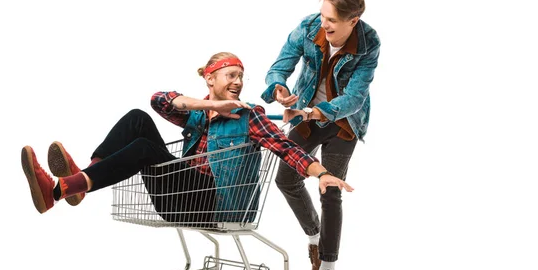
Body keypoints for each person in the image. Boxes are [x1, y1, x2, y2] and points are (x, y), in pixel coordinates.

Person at [22, 52, 353, 229]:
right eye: (231, 75)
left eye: (241, 76)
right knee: (137, 118)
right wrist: (209, 105)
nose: (239, 82)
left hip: (211, 203)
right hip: (179, 192)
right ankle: (80, 177)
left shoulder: (250, 116)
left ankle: (59, 190)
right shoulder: (197, 115)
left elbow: (286, 148)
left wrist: (320, 173)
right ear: (210, 78)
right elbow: (158, 100)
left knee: (144, 150)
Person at [261, 0, 381, 270]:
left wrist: (320, 111)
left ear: (353, 21)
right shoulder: (310, 25)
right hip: (306, 114)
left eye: (332, 20)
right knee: (286, 177)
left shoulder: (369, 43)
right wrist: (278, 88)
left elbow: (355, 96)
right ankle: (315, 236)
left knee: (330, 188)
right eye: (323, 15)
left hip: (343, 121)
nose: (324, 24)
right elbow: (281, 63)